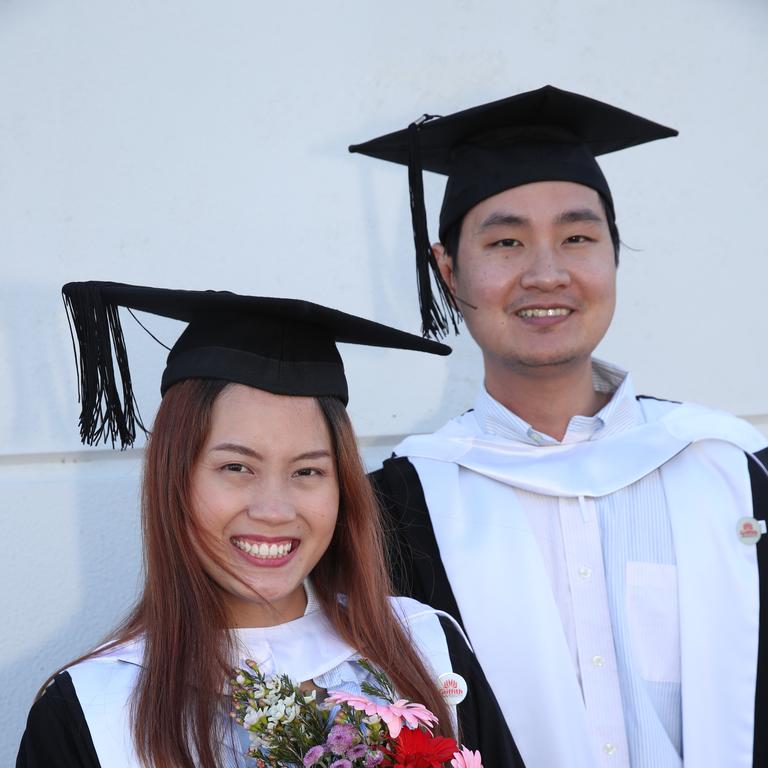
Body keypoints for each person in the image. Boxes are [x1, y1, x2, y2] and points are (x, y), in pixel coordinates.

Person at [351, 85, 768, 768]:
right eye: (507, 242)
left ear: (614, 256)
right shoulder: (394, 511)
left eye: (577, 237)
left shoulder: (736, 470)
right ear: (448, 269)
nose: (546, 273)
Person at [16, 281, 523, 767]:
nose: (275, 510)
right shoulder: (93, 709)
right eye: (236, 468)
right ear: (175, 480)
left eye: (308, 471)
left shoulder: (425, 647)